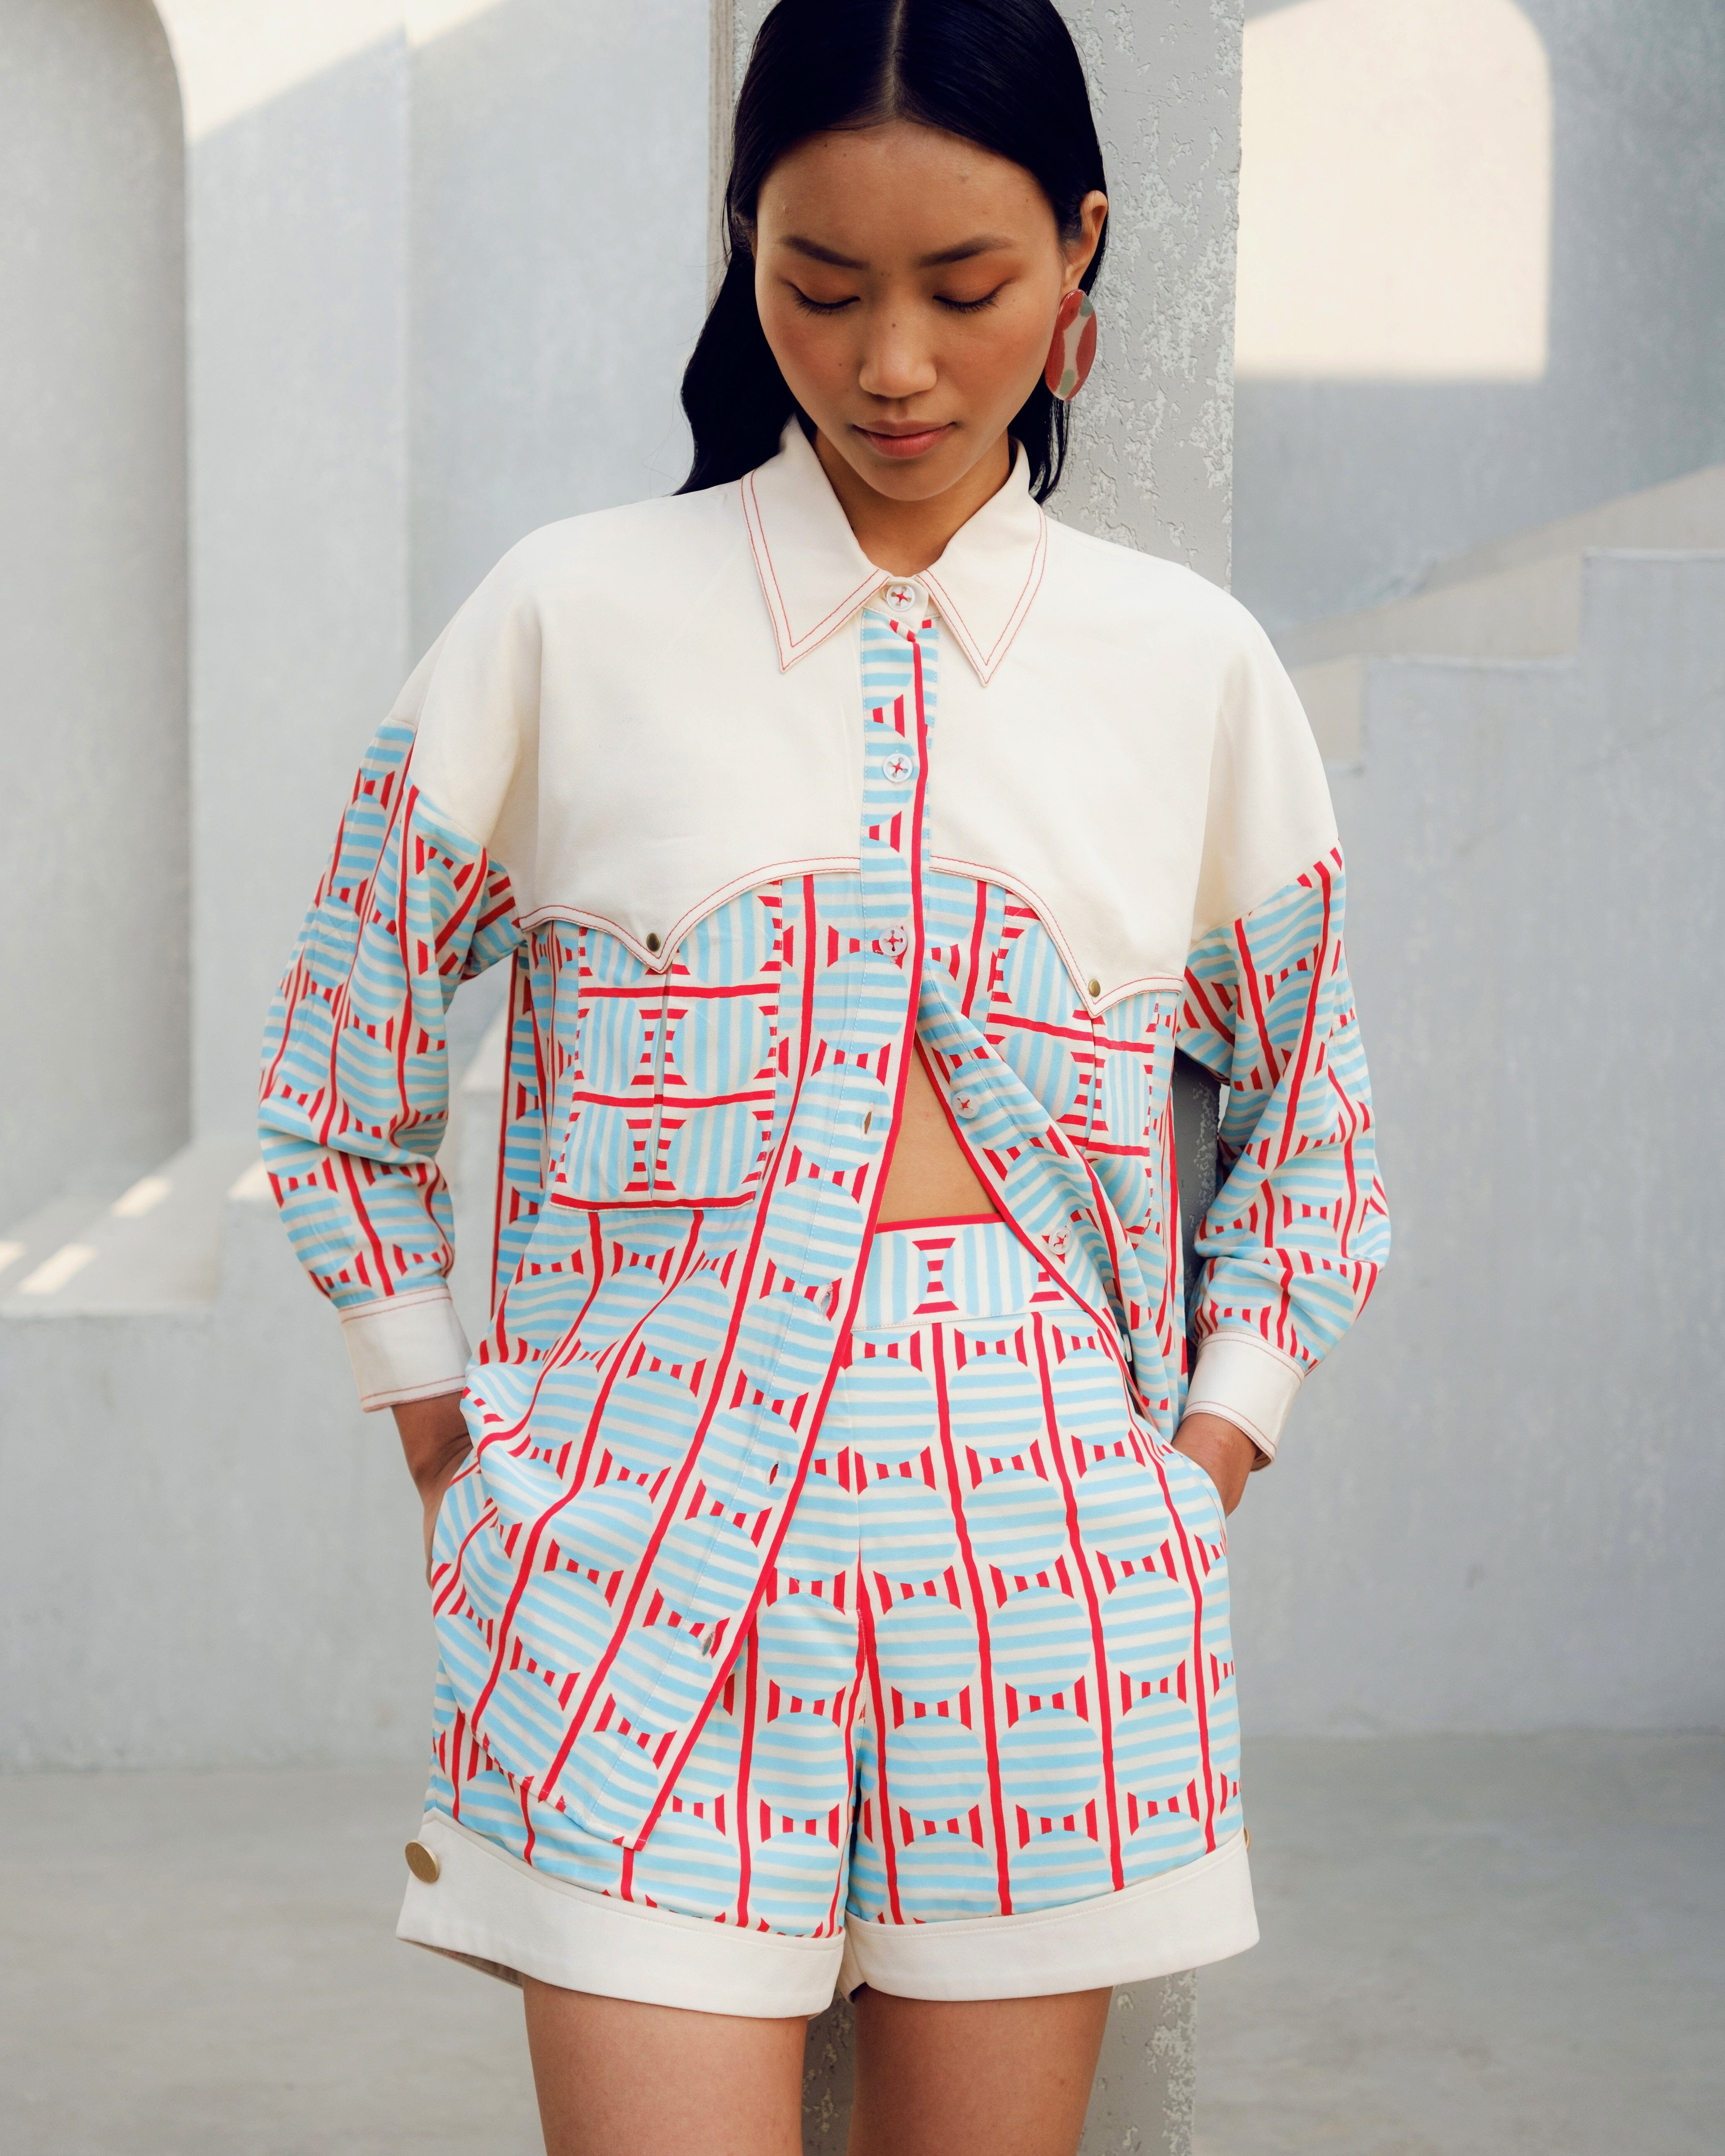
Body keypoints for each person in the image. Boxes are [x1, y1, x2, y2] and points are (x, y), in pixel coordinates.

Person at [259, 2, 1389, 2148]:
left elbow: (1311, 1132)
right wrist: (455, 1452)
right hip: (625, 1557)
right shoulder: (571, 617)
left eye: (966, 288)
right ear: (744, 248)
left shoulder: (1188, 671)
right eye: (821, 282)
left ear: (1080, 252)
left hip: (1048, 1569)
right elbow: (338, 1067)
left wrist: (1195, 1474)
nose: (893, 365)